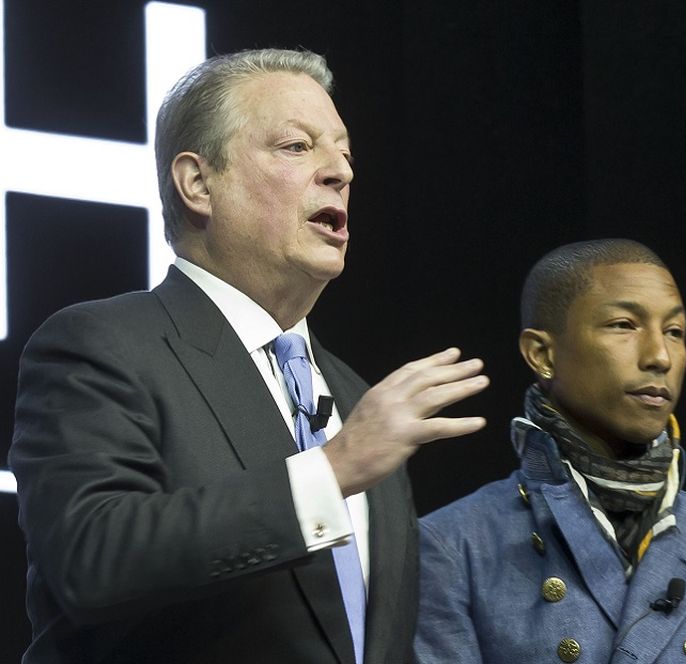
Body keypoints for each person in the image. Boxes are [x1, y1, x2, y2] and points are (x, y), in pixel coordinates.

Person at [9, 48, 489, 664]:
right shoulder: (101, 347)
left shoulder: (355, 398)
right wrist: (330, 472)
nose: (340, 171)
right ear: (198, 182)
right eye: (297, 146)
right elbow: (90, 557)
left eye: (345, 152)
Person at [415, 239, 686, 663]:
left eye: (675, 332)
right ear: (542, 354)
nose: (660, 356)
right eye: (624, 324)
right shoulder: (454, 546)